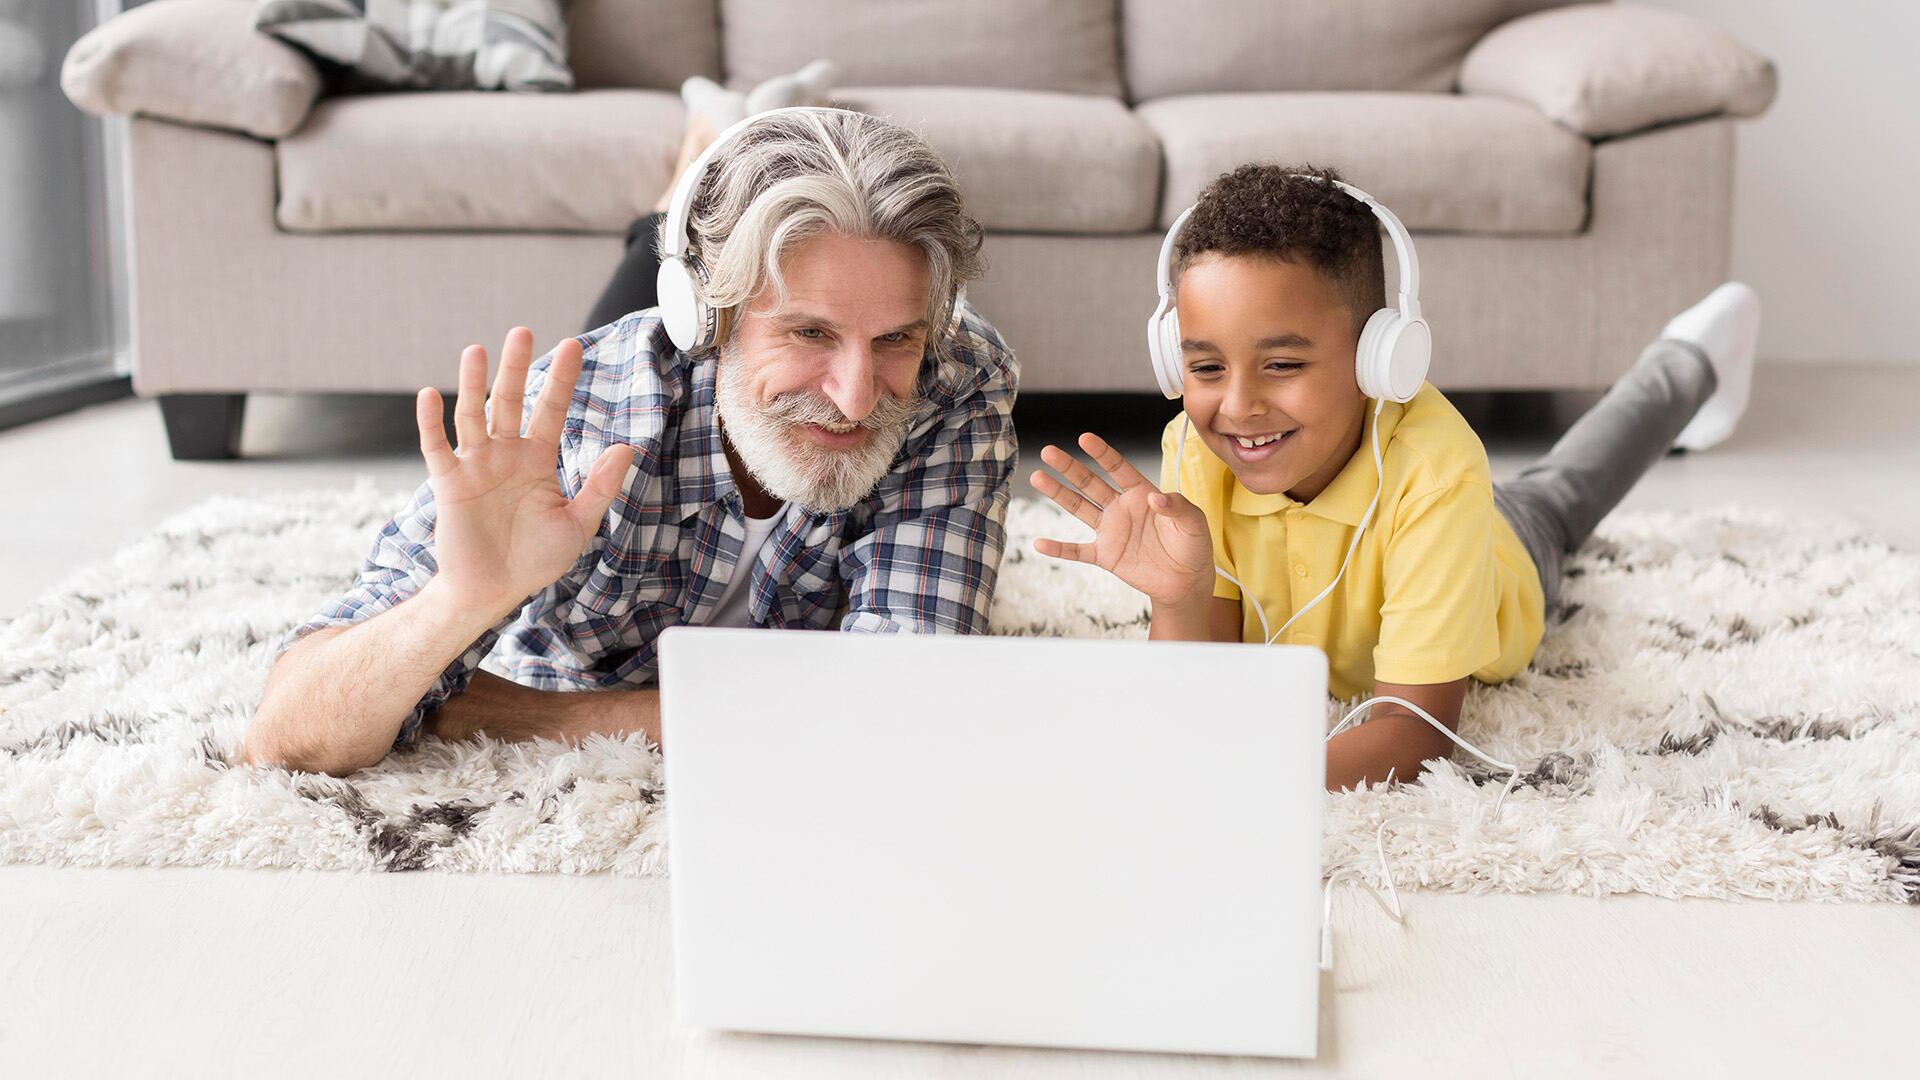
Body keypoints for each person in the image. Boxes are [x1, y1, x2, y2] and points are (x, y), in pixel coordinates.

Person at [243, 100, 1017, 777]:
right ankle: (692, 158)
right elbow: (282, 737)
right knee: (642, 265)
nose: (855, 396)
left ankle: (719, 150)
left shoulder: (953, 378)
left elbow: (903, 705)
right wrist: (456, 603)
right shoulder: (581, 424)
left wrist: (546, 717)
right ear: (707, 318)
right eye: (808, 332)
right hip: (648, 391)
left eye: (893, 338)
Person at [1030, 164, 1759, 792]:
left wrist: (1242, 783)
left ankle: (1687, 362)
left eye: (1283, 364)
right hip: (1423, 514)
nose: (1239, 406)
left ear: (1379, 358)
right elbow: (1207, 686)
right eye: (1206, 367)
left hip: (1502, 552)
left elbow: (1413, 734)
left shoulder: (1438, 473)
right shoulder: (1197, 450)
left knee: (1561, 496)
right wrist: (1182, 600)